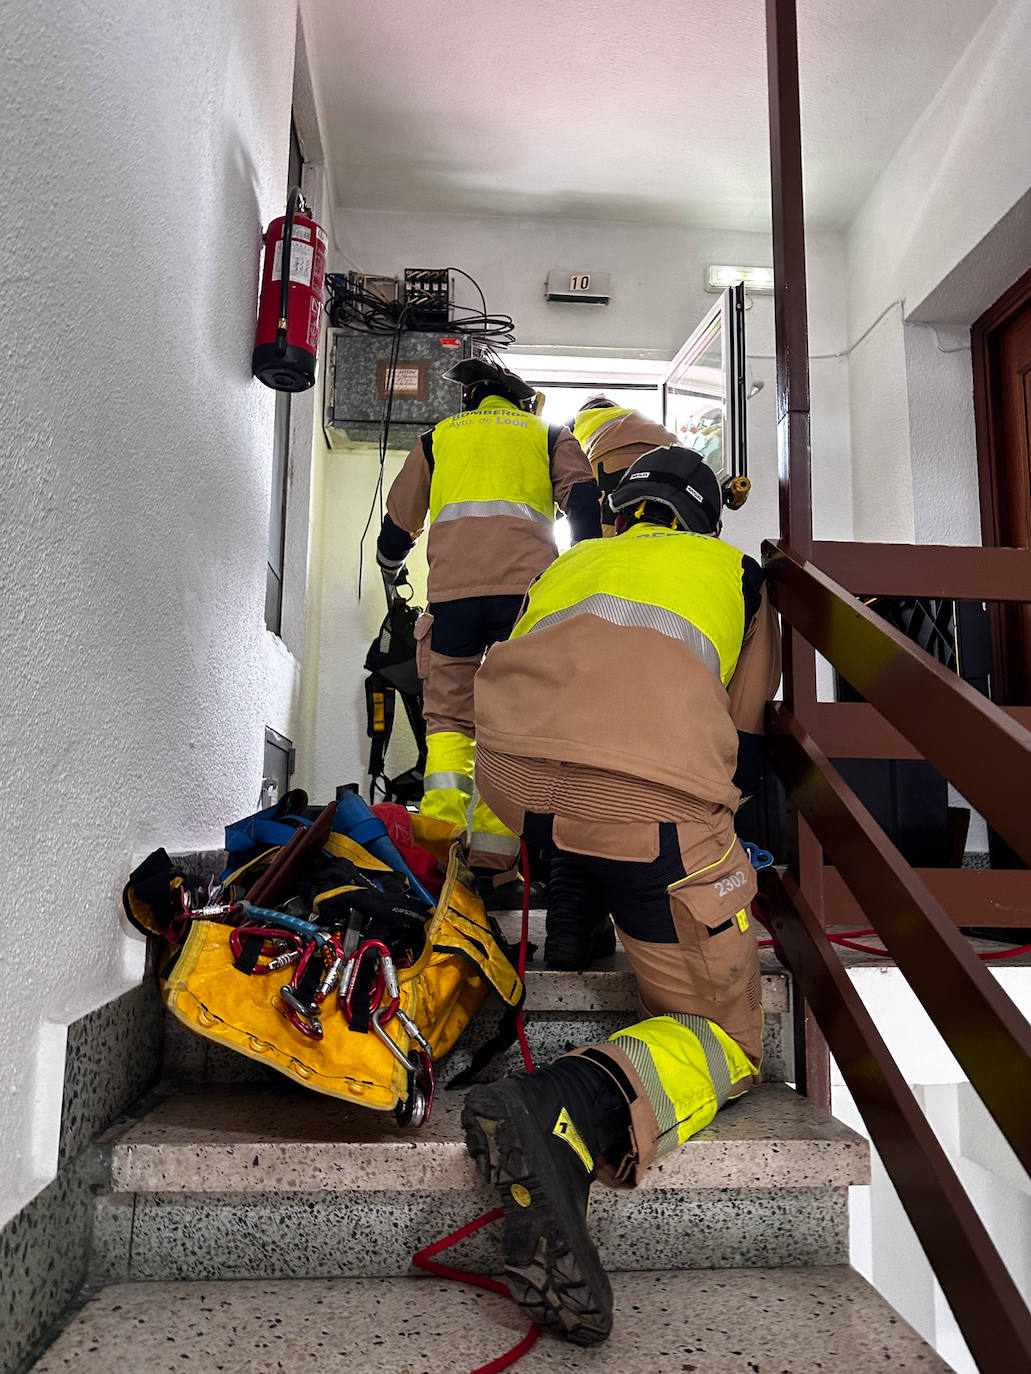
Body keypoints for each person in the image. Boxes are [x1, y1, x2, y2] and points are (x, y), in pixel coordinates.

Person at [462, 445, 781, 1344]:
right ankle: (578, 1101)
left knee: (583, 808)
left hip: (519, 793)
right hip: (648, 810)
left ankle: (573, 913)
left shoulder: (568, 564)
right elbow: (744, 732)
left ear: (619, 515)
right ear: (704, 520)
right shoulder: (737, 574)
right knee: (730, 1040)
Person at [375, 357, 602, 897]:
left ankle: (437, 861)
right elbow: (585, 502)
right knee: (511, 726)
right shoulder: (548, 433)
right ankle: (497, 868)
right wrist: (585, 569)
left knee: (450, 724)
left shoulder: (439, 439)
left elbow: (399, 524)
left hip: (452, 603)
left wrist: (391, 567)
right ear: (519, 400)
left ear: (470, 399)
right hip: (524, 604)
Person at [572, 394, 678, 534]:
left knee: (606, 537)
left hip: (609, 459)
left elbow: (568, 478)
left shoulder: (578, 423)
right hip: (673, 457)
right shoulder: (637, 417)